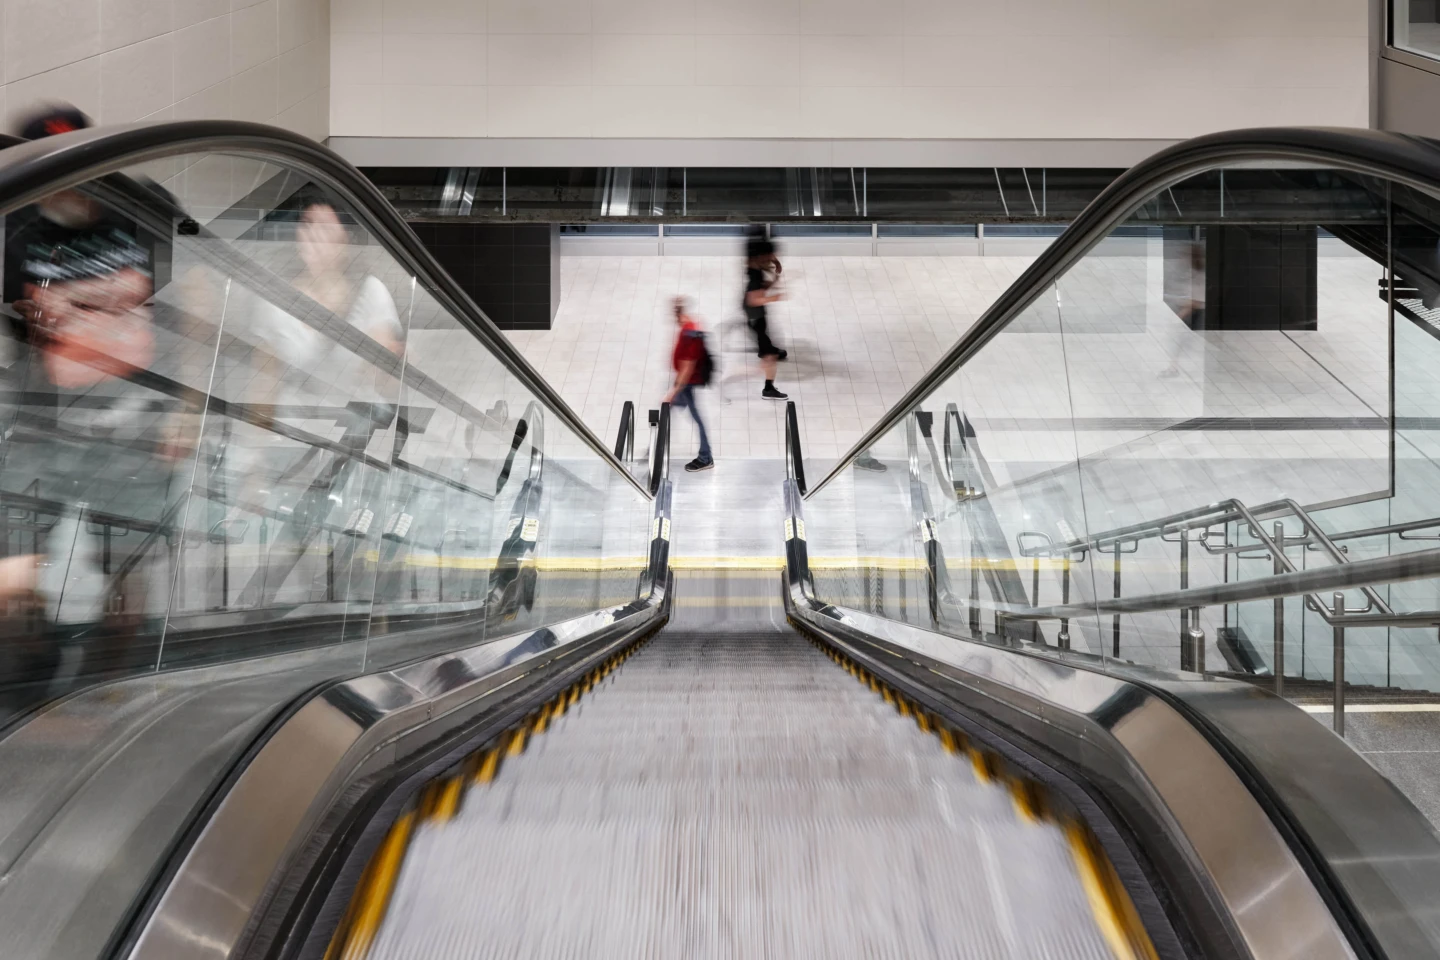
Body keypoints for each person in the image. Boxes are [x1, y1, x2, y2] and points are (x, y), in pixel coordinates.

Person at [664, 297, 714, 472]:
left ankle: (705, 457)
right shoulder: (689, 325)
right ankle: (655, 448)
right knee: (668, 412)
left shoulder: (689, 333)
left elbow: (688, 366)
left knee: (695, 417)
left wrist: (674, 391)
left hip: (687, 383)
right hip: (684, 382)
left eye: (676, 310)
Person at [743, 228, 788, 400]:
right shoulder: (754, 276)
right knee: (770, 356)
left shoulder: (753, 265)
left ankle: (766, 350)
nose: (771, 257)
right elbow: (754, 299)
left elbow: (759, 292)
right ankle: (768, 389)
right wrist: (775, 296)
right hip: (755, 317)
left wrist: (774, 268)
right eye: (769, 255)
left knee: (766, 341)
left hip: (756, 315)